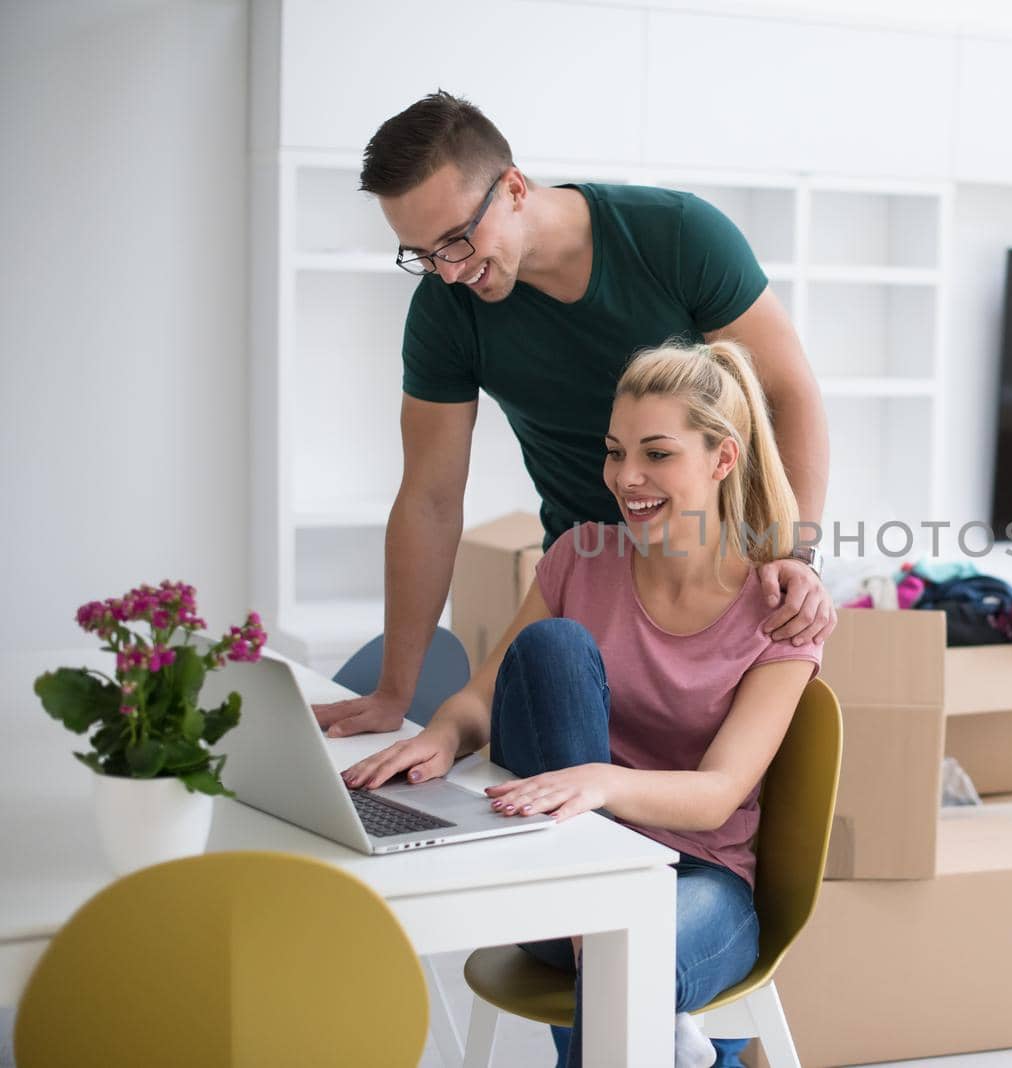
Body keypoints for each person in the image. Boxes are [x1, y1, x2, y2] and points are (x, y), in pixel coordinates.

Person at [340, 338, 821, 1067]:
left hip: (700, 885)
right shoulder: (580, 556)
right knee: (553, 648)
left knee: (624, 960)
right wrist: (443, 733)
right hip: (559, 873)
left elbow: (719, 795)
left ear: (723, 459)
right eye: (615, 451)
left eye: (657, 454)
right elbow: (488, 692)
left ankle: (673, 1040)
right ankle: (675, 1044)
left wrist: (601, 784)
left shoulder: (778, 610)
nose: (627, 477)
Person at [313, 89, 835, 748]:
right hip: (588, 584)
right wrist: (395, 692)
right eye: (420, 253)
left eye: (455, 240)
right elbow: (430, 498)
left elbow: (790, 394)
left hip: (719, 581)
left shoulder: (675, 237)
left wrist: (793, 554)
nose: (446, 272)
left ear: (513, 188)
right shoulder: (447, 312)